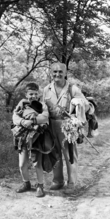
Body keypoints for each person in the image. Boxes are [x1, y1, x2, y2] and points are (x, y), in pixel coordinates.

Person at [43, 62, 91, 193]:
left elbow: (86, 105)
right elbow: (42, 108)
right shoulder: (46, 89)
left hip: (68, 126)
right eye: (55, 72)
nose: (57, 74)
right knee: (54, 153)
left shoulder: (72, 89)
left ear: (65, 73)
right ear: (51, 73)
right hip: (51, 125)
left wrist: (77, 105)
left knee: (70, 154)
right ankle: (57, 181)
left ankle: (72, 183)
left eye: (60, 72)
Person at [12, 82, 49, 197]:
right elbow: (15, 116)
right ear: (26, 94)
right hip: (22, 136)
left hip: (37, 136)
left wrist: (32, 121)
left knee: (37, 163)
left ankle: (40, 186)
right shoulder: (22, 103)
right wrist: (23, 122)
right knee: (22, 164)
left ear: (38, 94)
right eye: (30, 94)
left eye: (35, 94)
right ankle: (26, 183)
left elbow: (45, 117)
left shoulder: (42, 104)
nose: (33, 96)